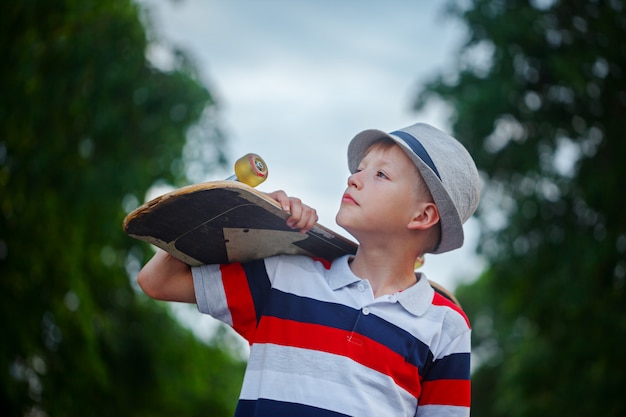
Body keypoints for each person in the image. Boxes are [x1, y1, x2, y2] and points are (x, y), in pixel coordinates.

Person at [138, 122, 481, 417]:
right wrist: (230, 208)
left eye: (381, 174)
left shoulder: (445, 326)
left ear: (422, 216)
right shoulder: (286, 276)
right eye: (359, 168)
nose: (354, 179)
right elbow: (157, 281)